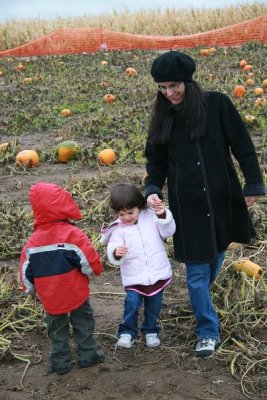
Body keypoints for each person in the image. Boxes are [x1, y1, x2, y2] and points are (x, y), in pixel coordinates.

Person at [144, 50, 266, 358]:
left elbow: (243, 145)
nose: (168, 93)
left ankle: (202, 300)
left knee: (217, 255)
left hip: (222, 198)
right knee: (197, 275)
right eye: (162, 88)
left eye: (173, 86)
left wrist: (252, 182)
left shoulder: (217, 104)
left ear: (187, 80)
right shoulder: (162, 117)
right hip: (189, 206)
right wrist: (152, 188)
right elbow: (155, 162)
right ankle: (207, 331)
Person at [19, 182, 104, 375]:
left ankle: (60, 362)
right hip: (75, 293)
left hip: (51, 298)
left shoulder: (32, 243)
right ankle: (87, 355)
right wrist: (94, 271)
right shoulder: (72, 235)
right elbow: (88, 260)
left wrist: (30, 290)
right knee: (83, 323)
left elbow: (25, 272)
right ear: (63, 205)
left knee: (56, 329)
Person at [100, 183, 176, 349]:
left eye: (130, 212)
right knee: (132, 303)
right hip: (133, 275)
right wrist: (115, 252)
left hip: (157, 271)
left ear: (139, 206)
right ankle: (127, 332)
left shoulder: (151, 217)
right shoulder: (119, 228)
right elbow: (113, 245)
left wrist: (163, 215)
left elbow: (168, 231)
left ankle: (150, 330)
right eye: (122, 214)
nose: (127, 217)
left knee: (154, 305)